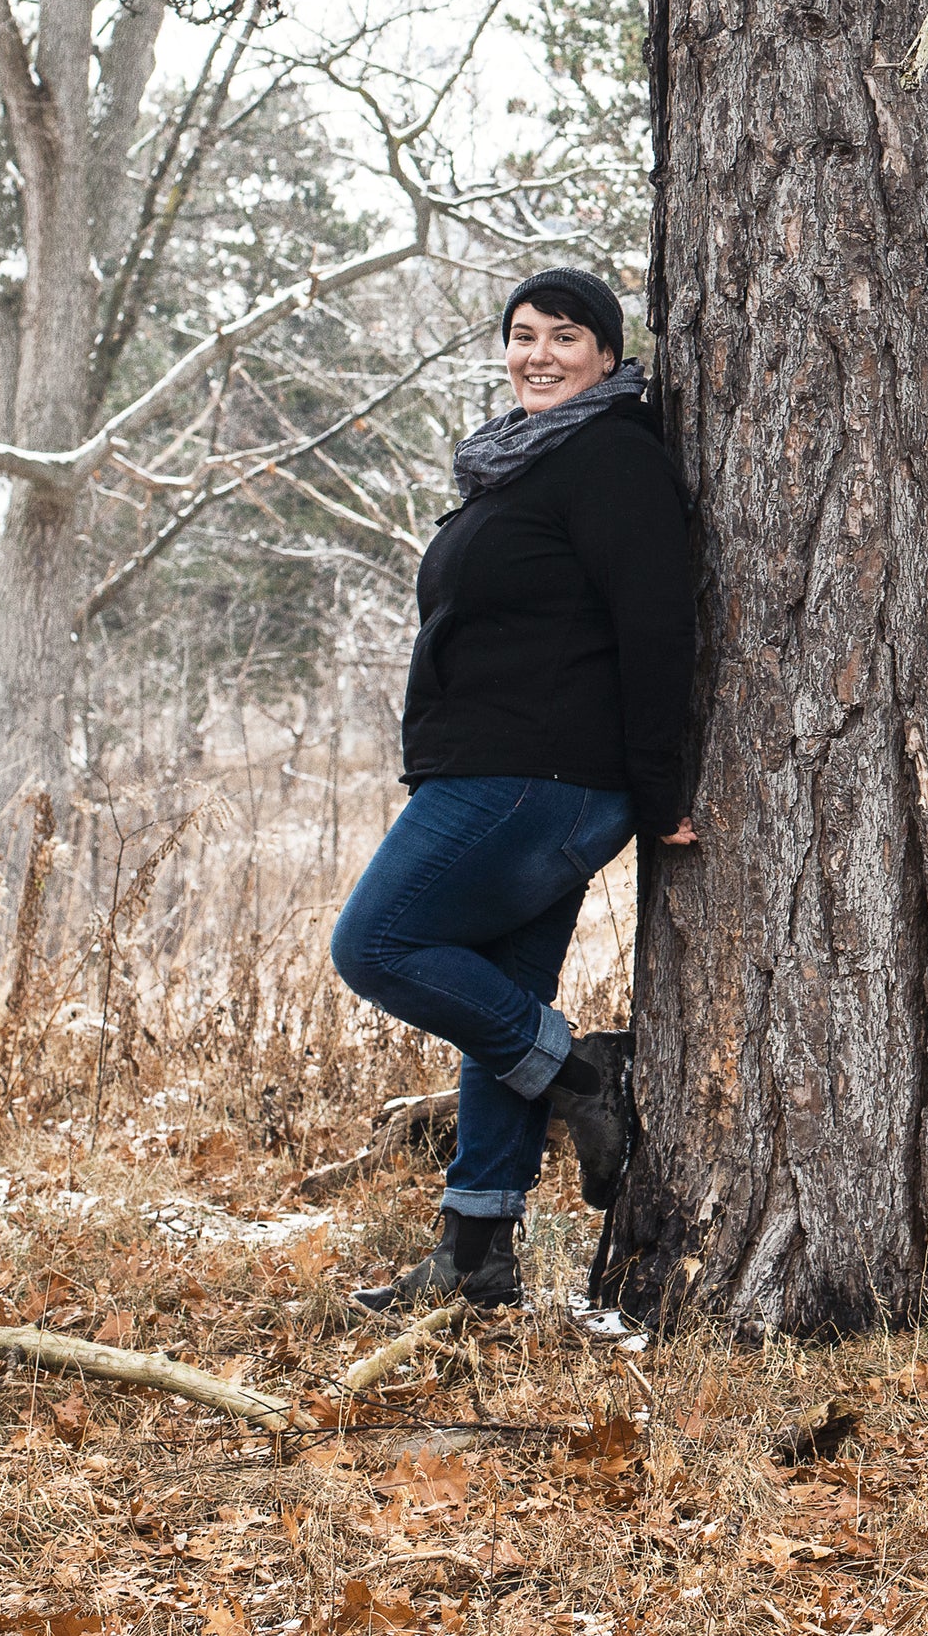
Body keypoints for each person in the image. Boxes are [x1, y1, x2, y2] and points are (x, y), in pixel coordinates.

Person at [332, 269, 697, 1310]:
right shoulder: (528, 462)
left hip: (537, 777)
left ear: (608, 355)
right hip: (513, 771)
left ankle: (583, 1076)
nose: (537, 353)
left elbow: (658, 625)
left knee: (378, 944)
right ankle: (478, 1254)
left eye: (565, 336)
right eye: (522, 334)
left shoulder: (612, 457)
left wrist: (658, 784)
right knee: (501, 1008)